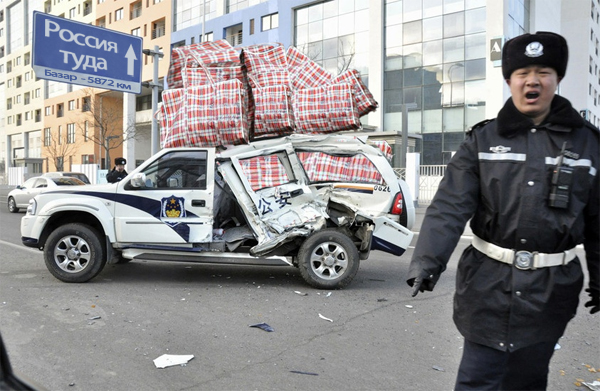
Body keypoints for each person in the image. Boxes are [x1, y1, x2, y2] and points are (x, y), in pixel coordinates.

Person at [406, 31, 599, 390]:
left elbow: (599, 222)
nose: (532, 80)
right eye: (522, 72)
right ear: (509, 80)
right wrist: (427, 261)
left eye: (543, 71)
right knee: (478, 380)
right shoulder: (483, 140)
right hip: (487, 286)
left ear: (557, 78)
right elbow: (449, 206)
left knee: (527, 381)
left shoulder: (587, 143)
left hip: (551, 292)